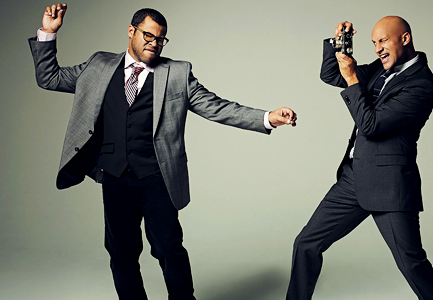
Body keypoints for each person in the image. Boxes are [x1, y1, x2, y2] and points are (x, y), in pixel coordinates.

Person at [29, 3, 297, 300]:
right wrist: (48, 34)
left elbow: (216, 107)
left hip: (156, 176)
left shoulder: (177, 73)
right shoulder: (98, 66)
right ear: (131, 31)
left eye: (160, 39)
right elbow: (49, 79)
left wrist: (266, 117)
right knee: (121, 253)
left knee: (168, 248)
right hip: (114, 176)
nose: (154, 44)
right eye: (148, 36)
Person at [285, 16, 433, 300]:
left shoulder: (422, 84)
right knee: (306, 244)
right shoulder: (381, 68)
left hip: (390, 187)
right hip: (354, 178)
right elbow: (332, 75)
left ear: (405, 38)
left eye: (383, 40)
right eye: (374, 42)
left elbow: (371, 125)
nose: (377, 48)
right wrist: (340, 48)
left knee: (412, 265)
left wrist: (352, 78)